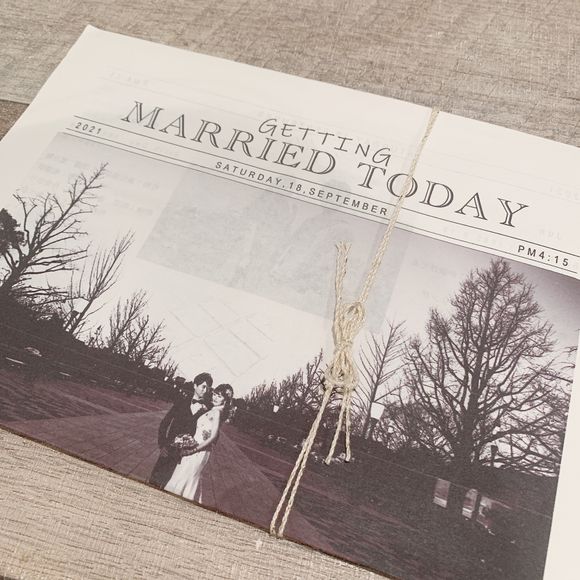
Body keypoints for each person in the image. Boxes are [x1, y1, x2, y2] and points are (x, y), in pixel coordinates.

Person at [164, 383, 234, 502]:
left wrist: (193, 449)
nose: (215, 398)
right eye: (215, 394)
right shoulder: (213, 410)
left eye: (219, 396)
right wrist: (186, 440)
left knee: (186, 476)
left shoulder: (217, 413)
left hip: (199, 450)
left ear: (225, 400)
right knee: (183, 475)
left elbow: (213, 437)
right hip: (193, 447)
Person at [148, 372, 213, 488]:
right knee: (155, 482)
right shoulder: (181, 402)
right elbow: (165, 423)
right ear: (195, 386)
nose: (205, 390)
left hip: (187, 456)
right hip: (169, 450)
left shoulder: (207, 410)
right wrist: (162, 444)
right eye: (203, 386)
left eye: (208, 388)